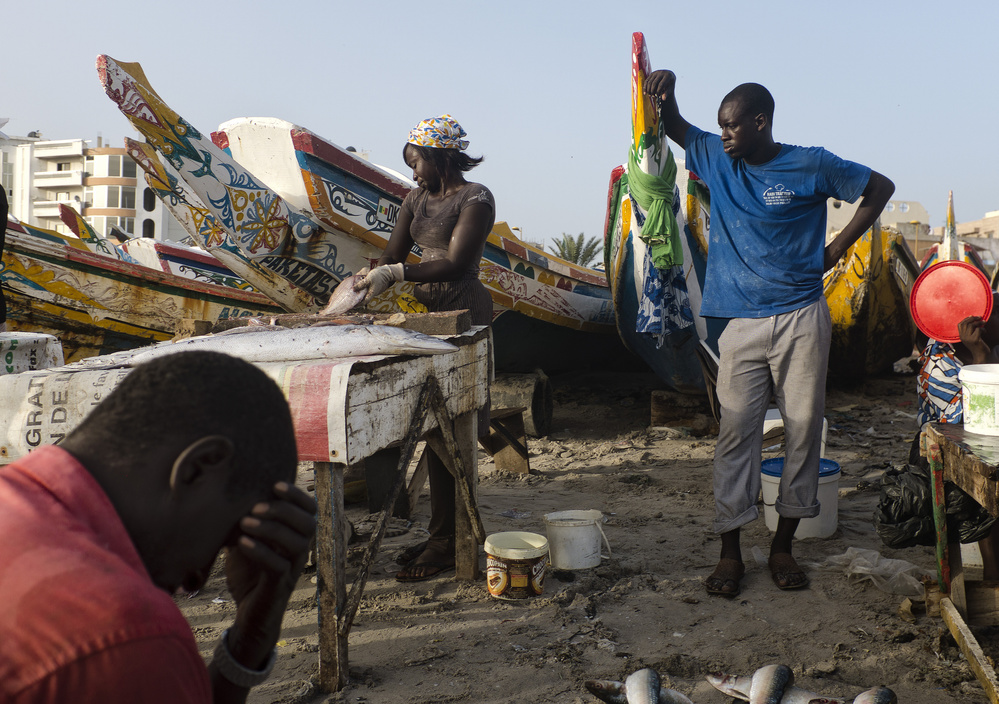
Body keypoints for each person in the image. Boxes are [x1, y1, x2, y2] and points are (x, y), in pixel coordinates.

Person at [643, 71, 894, 596]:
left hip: (802, 315)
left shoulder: (811, 163)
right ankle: (730, 553)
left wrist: (839, 246)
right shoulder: (716, 156)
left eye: (734, 127)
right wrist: (663, 90)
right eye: (721, 127)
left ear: (761, 122)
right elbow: (676, 127)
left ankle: (783, 547)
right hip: (740, 323)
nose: (725, 135)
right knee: (736, 434)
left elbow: (879, 187)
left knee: (803, 430)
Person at [0, 351, 317, 703]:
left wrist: (247, 644)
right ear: (198, 468)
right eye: (225, 541)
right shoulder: (126, 634)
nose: (196, 578)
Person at [353, 114, 494, 582]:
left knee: (451, 427)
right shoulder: (415, 199)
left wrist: (398, 275)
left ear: (439, 156)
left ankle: (446, 542)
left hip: (463, 314)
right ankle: (443, 536)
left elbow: (455, 264)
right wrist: (369, 277)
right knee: (431, 424)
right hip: (423, 319)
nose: (414, 174)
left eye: (417, 163)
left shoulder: (476, 198)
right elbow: (394, 256)